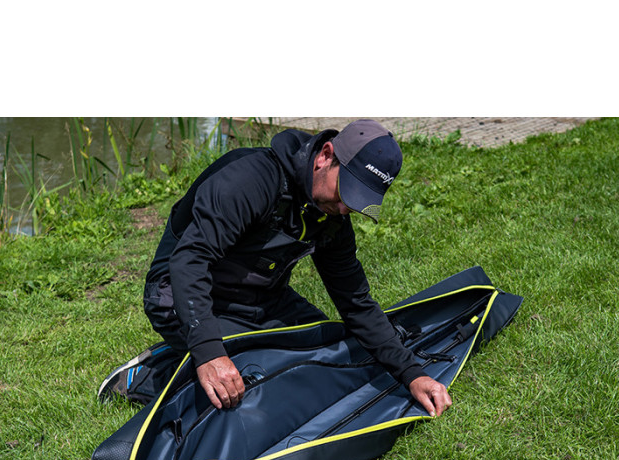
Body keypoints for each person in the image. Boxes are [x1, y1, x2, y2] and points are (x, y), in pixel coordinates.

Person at [102, 119, 452, 417]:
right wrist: (209, 352)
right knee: (255, 383)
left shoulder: (331, 213)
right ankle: (154, 373)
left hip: (261, 296)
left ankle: (206, 348)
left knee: (329, 356)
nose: (346, 209)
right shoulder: (250, 179)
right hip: (179, 292)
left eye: (359, 201)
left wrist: (412, 374)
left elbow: (356, 303)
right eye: (347, 191)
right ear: (325, 156)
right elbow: (189, 261)